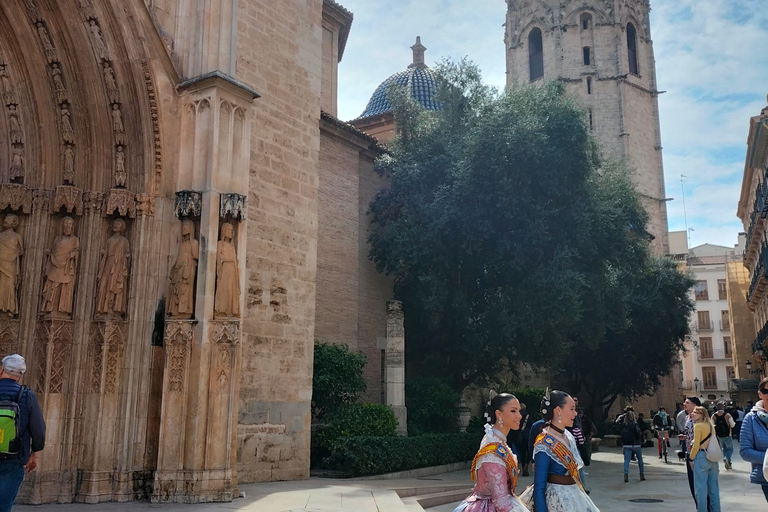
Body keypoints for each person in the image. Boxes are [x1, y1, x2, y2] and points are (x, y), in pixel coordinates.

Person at [519, 390, 600, 511]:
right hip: (556, 500)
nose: (575, 414)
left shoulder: (568, 435)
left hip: (574, 493)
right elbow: (539, 488)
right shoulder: (544, 444)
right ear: (558, 411)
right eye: (572, 409)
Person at [453, 393, 529, 512]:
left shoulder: (496, 439)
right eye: (513, 411)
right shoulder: (492, 448)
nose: (519, 416)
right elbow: (501, 502)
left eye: (519, 411)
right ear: (499, 414)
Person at [0, 354, 45, 512]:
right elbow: (38, 429)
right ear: (20, 375)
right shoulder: (27, 395)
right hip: (14, 456)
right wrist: (35, 455)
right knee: (4, 504)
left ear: (1, 370)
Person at [739, 376, 768, 502]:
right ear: (760, 394)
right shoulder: (751, 419)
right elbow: (745, 451)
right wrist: (767, 458)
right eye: (766, 391)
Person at [679, 396, 710, 511]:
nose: (684, 404)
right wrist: (685, 437)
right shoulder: (688, 418)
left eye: (687, 402)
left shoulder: (698, 419)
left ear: (694, 405)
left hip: (696, 454)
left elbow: (698, 439)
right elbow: (693, 436)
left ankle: (705, 508)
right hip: (690, 453)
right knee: (693, 485)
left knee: (699, 485)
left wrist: (692, 458)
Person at [689, 406, 721, 512]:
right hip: (712, 457)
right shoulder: (711, 425)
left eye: (695, 412)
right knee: (714, 489)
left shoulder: (698, 426)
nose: (692, 414)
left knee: (701, 489)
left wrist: (690, 458)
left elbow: (696, 444)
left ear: (701, 415)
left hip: (701, 456)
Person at [620, 410, 645, 482]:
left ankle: (626, 474)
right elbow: (638, 433)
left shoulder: (623, 425)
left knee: (626, 460)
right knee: (640, 459)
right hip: (636, 444)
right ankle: (641, 474)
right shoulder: (635, 424)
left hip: (626, 445)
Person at [507, 402, 530, 478]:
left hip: (515, 435)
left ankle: (513, 467)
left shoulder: (515, 416)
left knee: (513, 451)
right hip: (526, 435)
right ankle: (525, 466)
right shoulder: (528, 416)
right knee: (526, 451)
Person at [711, 399, 735, 470]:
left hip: (719, 435)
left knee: (724, 448)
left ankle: (729, 463)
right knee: (730, 448)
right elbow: (732, 424)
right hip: (728, 434)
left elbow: (712, 425)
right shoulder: (727, 415)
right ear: (724, 407)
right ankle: (726, 458)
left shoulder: (713, 415)